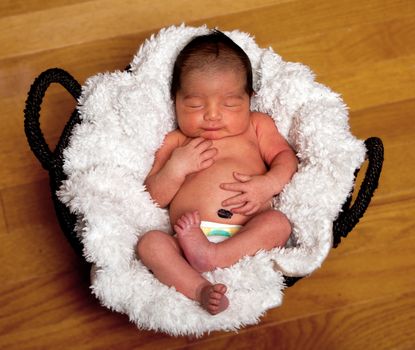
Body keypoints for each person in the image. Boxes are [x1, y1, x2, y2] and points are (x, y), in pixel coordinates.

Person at [137, 30, 298, 315]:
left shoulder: (257, 126)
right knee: (150, 245)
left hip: (247, 231)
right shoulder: (176, 142)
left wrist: (267, 185)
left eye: (230, 104)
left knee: (279, 224)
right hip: (187, 237)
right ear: (175, 100)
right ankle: (200, 289)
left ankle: (215, 256)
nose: (212, 115)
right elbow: (154, 196)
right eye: (195, 105)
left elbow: (286, 159)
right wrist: (176, 168)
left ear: (250, 99)